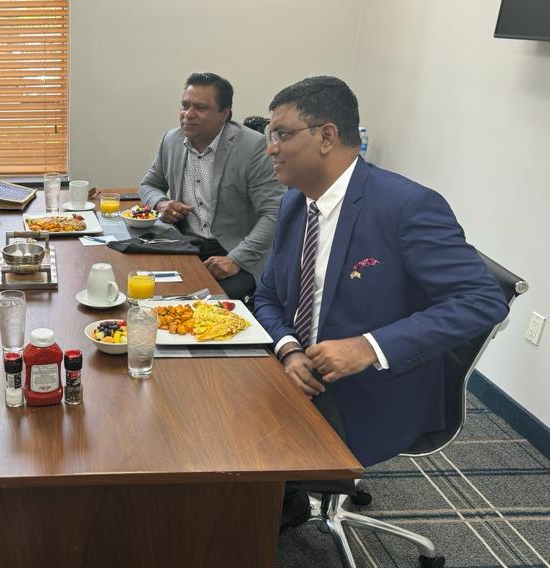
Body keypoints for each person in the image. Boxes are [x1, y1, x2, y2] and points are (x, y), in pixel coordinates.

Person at [252, 76, 508, 527]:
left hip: (376, 391)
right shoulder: (295, 204)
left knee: (237, 448)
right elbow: (269, 296)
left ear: (326, 136)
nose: (270, 147)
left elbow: (482, 301)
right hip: (301, 372)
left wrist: (368, 346)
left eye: (282, 134)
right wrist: (289, 348)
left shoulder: (406, 207)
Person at [139, 72, 285, 299]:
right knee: (147, 288)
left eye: (200, 108)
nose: (188, 114)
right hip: (186, 244)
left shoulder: (252, 147)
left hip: (236, 251)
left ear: (223, 114)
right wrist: (161, 203)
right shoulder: (171, 140)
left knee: (202, 308)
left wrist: (236, 259)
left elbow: (274, 213)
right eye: (184, 106)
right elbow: (148, 185)